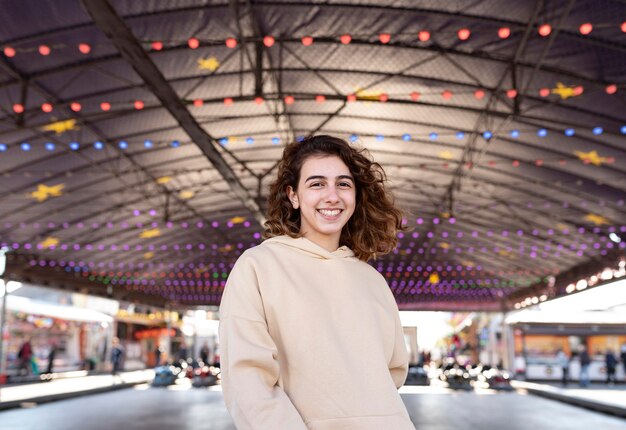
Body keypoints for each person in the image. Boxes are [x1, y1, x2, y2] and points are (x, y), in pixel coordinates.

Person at [219, 135, 413, 429]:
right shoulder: (258, 267)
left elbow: (394, 370)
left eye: (344, 184)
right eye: (317, 183)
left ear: (356, 195)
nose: (332, 196)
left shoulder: (372, 280)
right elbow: (248, 381)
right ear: (293, 196)